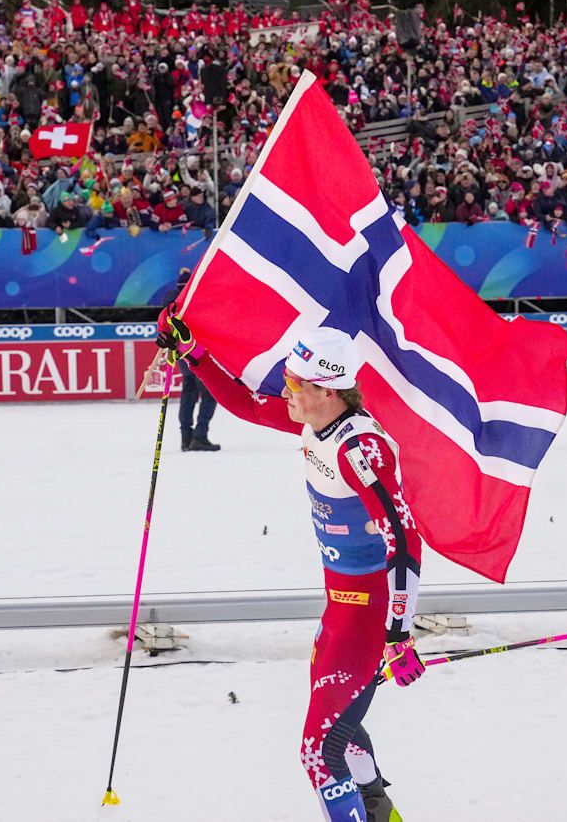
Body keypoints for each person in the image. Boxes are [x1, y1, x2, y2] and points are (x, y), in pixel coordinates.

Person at [157, 315, 419, 822]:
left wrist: (399, 633)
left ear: (328, 390)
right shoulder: (316, 422)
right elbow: (250, 406)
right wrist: (195, 355)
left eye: (296, 384)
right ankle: (379, 810)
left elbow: (404, 540)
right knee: (338, 727)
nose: (286, 390)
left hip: (366, 616)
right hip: (339, 609)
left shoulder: (359, 448)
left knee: (319, 751)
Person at [165, 268, 219, 451]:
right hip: (197, 353)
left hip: (180, 354)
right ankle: (200, 435)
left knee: (188, 393)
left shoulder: (170, 300)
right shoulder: (194, 299)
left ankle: (185, 438)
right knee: (209, 395)